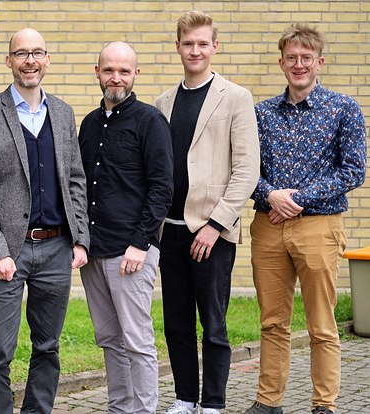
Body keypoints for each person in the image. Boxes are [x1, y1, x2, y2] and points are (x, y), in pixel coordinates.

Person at [0, 27, 90, 414]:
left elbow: (75, 180)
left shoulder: (64, 113)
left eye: (37, 53)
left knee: (48, 346)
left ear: (48, 59)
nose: (30, 60)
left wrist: (81, 238)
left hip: (56, 248)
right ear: (9, 61)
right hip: (8, 252)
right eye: (21, 53)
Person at [243, 23, 366, 414]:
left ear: (319, 62)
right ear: (281, 63)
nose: (299, 65)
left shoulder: (343, 108)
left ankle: (324, 404)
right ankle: (268, 402)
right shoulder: (260, 113)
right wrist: (269, 195)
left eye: (306, 58)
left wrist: (299, 197)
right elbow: (246, 169)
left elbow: (353, 170)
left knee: (321, 324)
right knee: (273, 323)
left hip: (318, 227)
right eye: (292, 58)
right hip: (269, 227)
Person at [155, 11, 260, 414]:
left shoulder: (235, 97)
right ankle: (184, 399)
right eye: (188, 43)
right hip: (172, 231)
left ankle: (213, 403)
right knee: (176, 323)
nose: (195, 50)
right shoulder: (163, 101)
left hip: (212, 233)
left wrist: (216, 224)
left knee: (213, 325)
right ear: (178, 46)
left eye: (202, 43)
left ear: (214, 47)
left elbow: (247, 169)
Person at [79, 41, 173, 414]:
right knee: (109, 339)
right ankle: (120, 408)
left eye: (123, 70)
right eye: (108, 70)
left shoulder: (150, 121)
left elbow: (162, 187)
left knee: (137, 341)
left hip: (130, 251)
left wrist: (142, 243)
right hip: (94, 252)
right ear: (97, 72)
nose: (115, 77)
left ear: (136, 74)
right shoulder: (87, 123)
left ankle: (144, 410)